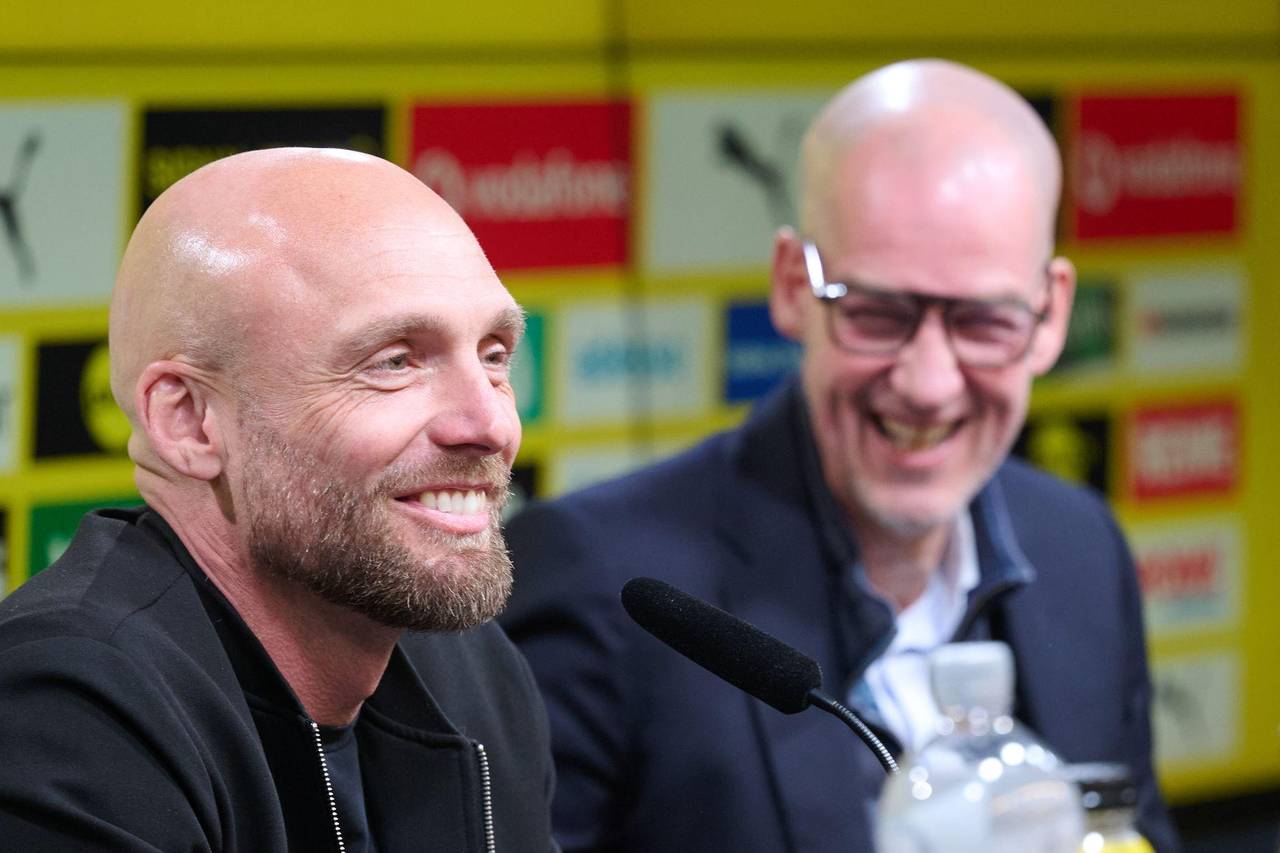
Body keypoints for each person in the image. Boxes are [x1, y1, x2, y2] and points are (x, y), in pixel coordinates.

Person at [500, 59, 1178, 852]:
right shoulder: (601, 582)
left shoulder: (1082, 548)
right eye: (878, 312)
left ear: (1052, 313)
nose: (928, 383)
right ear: (794, 285)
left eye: (984, 321)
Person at [0, 148, 557, 851]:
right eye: (395, 361)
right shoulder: (67, 714)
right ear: (189, 420)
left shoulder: (475, 675)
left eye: (494, 355)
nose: (490, 424)